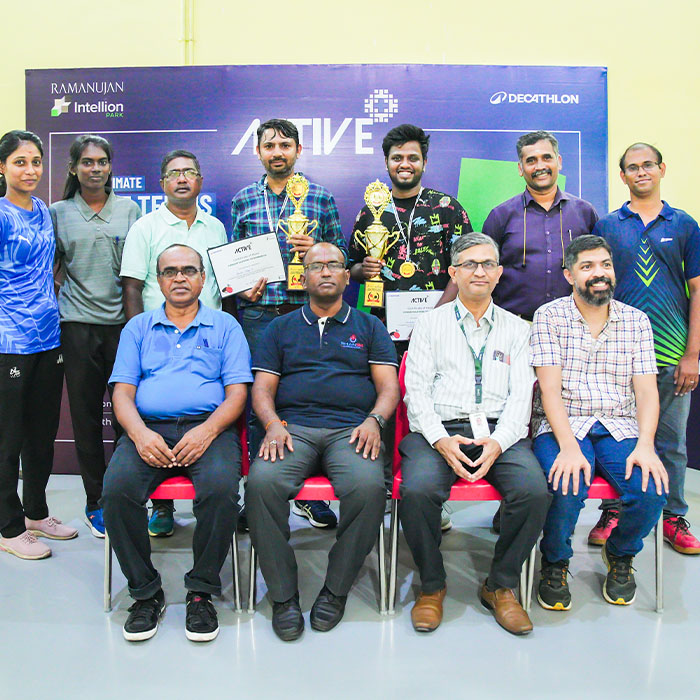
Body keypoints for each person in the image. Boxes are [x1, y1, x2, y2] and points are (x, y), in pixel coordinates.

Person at [245, 242, 399, 641]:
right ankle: (283, 596)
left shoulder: (370, 327)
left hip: (352, 430)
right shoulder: (279, 328)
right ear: (304, 277)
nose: (326, 272)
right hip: (291, 429)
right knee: (261, 484)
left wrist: (375, 421)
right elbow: (262, 389)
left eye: (334, 265)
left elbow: (389, 388)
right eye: (316, 266)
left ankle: (336, 588)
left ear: (348, 277)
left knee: (368, 488)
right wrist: (272, 424)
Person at [399, 232, 550, 636]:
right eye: (469, 264)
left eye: (487, 264)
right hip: (440, 429)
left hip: (500, 430)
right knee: (417, 491)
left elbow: (522, 396)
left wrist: (499, 442)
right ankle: (432, 585)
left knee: (534, 492)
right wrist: (440, 439)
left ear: (499, 273)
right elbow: (416, 392)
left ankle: (500, 585)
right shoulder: (429, 324)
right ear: (453, 273)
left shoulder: (518, 329)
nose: (478, 271)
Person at [102, 244, 252, 642]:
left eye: (188, 270)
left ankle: (201, 591)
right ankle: (145, 592)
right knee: (115, 492)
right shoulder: (138, 328)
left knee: (221, 491)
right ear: (159, 281)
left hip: (209, 428)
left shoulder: (225, 326)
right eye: (170, 271)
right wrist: (139, 433)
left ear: (203, 279)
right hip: (149, 429)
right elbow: (122, 393)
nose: (180, 278)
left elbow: (237, 394)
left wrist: (207, 431)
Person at [530, 235, 667, 609]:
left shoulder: (636, 321)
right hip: (563, 423)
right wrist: (569, 448)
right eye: (587, 266)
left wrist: (646, 445)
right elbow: (549, 391)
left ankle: (620, 552)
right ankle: (555, 561)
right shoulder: (549, 316)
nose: (599, 273)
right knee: (567, 481)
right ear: (569, 275)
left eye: (605, 264)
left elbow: (647, 392)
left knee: (651, 489)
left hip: (619, 423)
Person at [348, 123, 473, 529]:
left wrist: (437, 316)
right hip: (381, 331)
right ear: (386, 162)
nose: (405, 164)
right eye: (397, 157)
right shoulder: (371, 210)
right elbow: (351, 267)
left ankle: (432, 496)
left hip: (439, 330)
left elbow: (465, 267)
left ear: (424, 162)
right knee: (383, 407)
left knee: (434, 409)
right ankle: (384, 488)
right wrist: (363, 269)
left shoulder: (447, 208)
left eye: (412, 157)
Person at [231, 118, 347, 529]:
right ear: (258, 152)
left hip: (307, 314)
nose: (277, 152)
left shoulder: (320, 197)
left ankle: (312, 498)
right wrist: (240, 288)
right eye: (269, 145)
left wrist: (316, 249)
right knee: (257, 406)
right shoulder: (244, 199)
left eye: (285, 145)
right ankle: (257, 496)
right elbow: (233, 259)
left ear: (298, 150)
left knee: (309, 398)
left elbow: (341, 255)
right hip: (259, 315)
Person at [589, 143, 700, 555]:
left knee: (671, 443)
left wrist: (693, 355)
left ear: (661, 169)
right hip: (618, 356)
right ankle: (614, 511)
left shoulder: (685, 225)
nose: (641, 172)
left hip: (671, 356)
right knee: (616, 437)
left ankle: (673, 516)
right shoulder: (607, 225)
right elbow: (595, 288)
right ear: (622, 176)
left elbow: (697, 290)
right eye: (632, 167)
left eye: (647, 165)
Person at [120, 149, 228, 538]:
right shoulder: (145, 227)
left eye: (189, 172)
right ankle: (162, 506)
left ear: (200, 181)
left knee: (210, 415)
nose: (182, 179)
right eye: (174, 173)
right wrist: (139, 338)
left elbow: (222, 285)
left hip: (207, 338)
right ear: (162, 183)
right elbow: (132, 286)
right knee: (155, 417)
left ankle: (213, 504)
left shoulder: (215, 227)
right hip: (158, 337)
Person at [50, 134, 141, 538]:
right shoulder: (58, 212)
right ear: (73, 168)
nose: (95, 168)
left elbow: (137, 272)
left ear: (110, 167)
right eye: (87, 162)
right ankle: (95, 502)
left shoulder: (129, 209)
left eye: (102, 161)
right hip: (77, 327)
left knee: (127, 417)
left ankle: (127, 496)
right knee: (86, 419)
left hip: (122, 327)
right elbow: (48, 269)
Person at [0, 130, 78, 560]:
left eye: (35, 162)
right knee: (8, 438)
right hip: (8, 340)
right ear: (2, 167)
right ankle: (8, 527)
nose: (29, 170)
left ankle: (35, 513)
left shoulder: (44, 211)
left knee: (41, 434)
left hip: (48, 337)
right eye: (19, 162)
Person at [483, 130, 599, 321]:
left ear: (559, 162)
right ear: (520, 169)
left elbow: (599, 269)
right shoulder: (500, 216)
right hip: (517, 325)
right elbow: (485, 272)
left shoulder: (584, 213)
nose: (540, 166)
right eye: (531, 160)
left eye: (547, 158)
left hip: (574, 325)